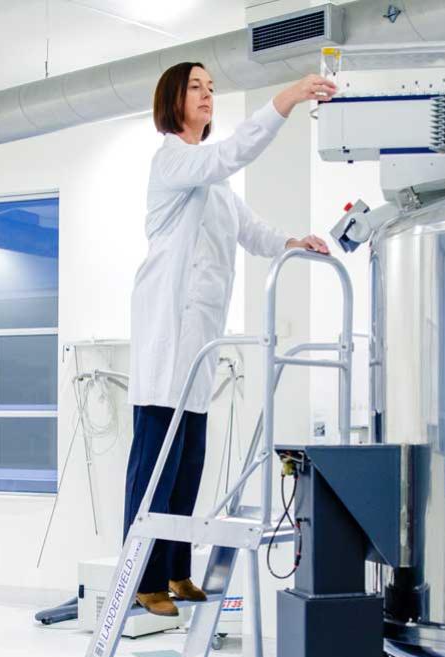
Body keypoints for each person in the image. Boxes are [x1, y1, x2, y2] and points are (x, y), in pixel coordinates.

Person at [125, 63, 337, 617]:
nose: (207, 96)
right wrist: (285, 100)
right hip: (166, 336)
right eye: (196, 87)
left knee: (189, 460)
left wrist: (294, 242)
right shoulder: (174, 159)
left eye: (212, 89)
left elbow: (252, 230)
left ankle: (176, 572)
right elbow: (231, 153)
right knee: (156, 465)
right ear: (172, 98)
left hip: (199, 341)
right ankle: (142, 578)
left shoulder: (213, 184)